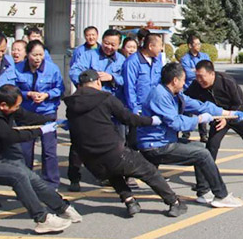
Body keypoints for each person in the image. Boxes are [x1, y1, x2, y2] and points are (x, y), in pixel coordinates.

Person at [64, 70, 187, 217]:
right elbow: (128, 118)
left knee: (111, 172)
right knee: (148, 171)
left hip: (90, 158)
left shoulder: (71, 104)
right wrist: (150, 121)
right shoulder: (105, 98)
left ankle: (130, 201)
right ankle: (174, 202)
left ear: (80, 85)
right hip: (113, 152)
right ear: (98, 82)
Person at [137, 63, 243, 208]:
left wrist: (228, 113)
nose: (185, 84)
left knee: (202, 148)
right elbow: (176, 123)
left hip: (165, 140)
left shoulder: (174, 94)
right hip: (155, 146)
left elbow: (199, 105)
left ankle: (203, 192)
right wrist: (199, 119)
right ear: (175, 80)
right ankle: (222, 195)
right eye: (183, 80)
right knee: (203, 154)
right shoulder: (160, 95)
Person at [0, 84, 81, 233]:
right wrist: (40, 131)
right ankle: (42, 219)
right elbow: (9, 136)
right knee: (18, 176)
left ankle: (62, 207)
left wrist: (50, 121)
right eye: (16, 106)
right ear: (3, 106)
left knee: (30, 176)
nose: (18, 108)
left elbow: (25, 116)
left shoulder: (2, 102)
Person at [186, 60, 243, 175]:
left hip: (238, 114)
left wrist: (227, 118)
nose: (199, 80)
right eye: (197, 76)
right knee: (212, 145)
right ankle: (206, 177)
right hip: (218, 118)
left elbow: (239, 103)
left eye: (201, 76)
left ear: (212, 74)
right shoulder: (196, 85)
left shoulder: (227, 81)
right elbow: (185, 99)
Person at [67, 29, 126, 191]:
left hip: (109, 107)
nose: (109, 47)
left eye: (113, 45)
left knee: (113, 143)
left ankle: (109, 176)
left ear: (118, 45)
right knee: (79, 143)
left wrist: (112, 77)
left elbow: (126, 80)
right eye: (106, 43)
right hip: (88, 106)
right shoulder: (89, 55)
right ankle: (74, 177)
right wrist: (90, 79)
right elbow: (74, 71)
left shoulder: (122, 60)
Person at [16, 40, 65, 189]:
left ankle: (51, 183)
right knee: (25, 151)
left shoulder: (52, 69)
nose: (38, 58)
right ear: (27, 54)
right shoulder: (17, 69)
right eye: (34, 55)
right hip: (26, 114)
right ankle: (25, 182)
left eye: (40, 55)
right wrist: (27, 94)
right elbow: (12, 89)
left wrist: (47, 95)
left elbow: (60, 89)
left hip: (47, 113)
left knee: (49, 150)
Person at [0, 31, 17, 208]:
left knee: (9, 153)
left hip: (7, 116)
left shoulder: (9, 63)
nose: (0, 55)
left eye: (2, 51)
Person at [123, 33, 163, 148]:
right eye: (160, 45)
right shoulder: (132, 62)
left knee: (151, 142)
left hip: (154, 108)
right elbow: (129, 87)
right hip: (139, 110)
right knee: (135, 143)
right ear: (150, 46)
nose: (161, 48)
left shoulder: (157, 60)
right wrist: (134, 109)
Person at [179, 34, 211, 142]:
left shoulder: (205, 56)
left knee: (202, 110)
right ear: (190, 45)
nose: (198, 46)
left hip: (202, 88)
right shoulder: (185, 59)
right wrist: (200, 73)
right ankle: (186, 134)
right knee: (187, 111)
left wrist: (194, 71)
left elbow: (209, 71)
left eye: (199, 44)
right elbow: (188, 74)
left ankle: (203, 134)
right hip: (189, 89)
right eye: (196, 44)